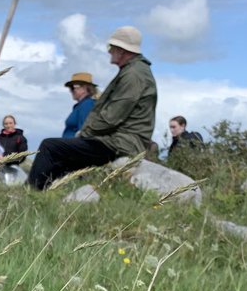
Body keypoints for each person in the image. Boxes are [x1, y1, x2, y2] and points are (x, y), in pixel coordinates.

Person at [28, 26, 157, 190]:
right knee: (60, 156)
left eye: (112, 47)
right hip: (119, 140)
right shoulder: (133, 71)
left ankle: (30, 192)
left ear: (122, 50)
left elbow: (112, 117)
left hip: (120, 143)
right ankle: (43, 193)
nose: (109, 51)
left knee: (49, 146)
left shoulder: (133, 75)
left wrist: (84, 134)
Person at [0, 115, 28, 184]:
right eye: (6, 124)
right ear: (3, 125)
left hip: (11, 173)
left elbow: (22, 156)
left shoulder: (20, 138)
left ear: (14, 124)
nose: (8, 125)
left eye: (10, 123)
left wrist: (5, 159)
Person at [62, 72, 98, 138]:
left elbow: (84, 132)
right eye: (70, 88)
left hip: (74, 146)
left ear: (85, 88)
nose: (71, 90)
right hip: (69, 145)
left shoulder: (87, 104)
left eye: (73, 87)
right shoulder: (79, 106)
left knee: (47, 143)